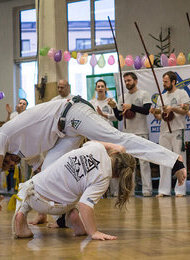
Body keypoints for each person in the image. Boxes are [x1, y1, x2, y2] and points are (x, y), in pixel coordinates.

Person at [0, 96, 186, 188]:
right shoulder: (26, 156)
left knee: (117, 138)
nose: (11, 163)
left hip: (72, 112)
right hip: (67, 132)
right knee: (49, 170)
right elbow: (41, 175)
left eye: (6, 161)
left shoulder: (4, 133)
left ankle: (174, 161)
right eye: (9, 166)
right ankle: (63, 216)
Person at [13, 141, 135, 240]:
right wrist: (93, 232)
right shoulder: (104, 178)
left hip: (35, 195)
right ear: (118, 176)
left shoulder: (97, 148)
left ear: (114, 154)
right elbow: (85, 205)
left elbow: (92, 142)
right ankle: (75, 219)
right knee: (75, 196)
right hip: (61, 207)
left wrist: (115, 146)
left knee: (25, 187)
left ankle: (21, 216)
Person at [108, 72, 152, 197]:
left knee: (144, 162)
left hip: (141, 131)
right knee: (129, 164)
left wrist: (132, 106)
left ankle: (147, 190)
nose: (127, 83)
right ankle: (130, 191)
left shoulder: (144, 94)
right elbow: (119, 118)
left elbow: (146, 111)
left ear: (135, 81)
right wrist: (115, 107)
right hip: (128, 134)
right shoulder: (122, 96)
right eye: (125, 81)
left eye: (129, 80)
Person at [150, 71, 189, 197]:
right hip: (164, 131)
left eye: (166, 81)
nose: (164, 84)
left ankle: (180, 190)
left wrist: (172, 108)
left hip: (178, 130)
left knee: (180, 158)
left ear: (173, 82)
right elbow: (159, 115)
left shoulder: (181, 93)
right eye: (163, 81)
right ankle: (163, 190)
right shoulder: (163, 96)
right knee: (164, 159)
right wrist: (155, 113)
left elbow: (185, 110)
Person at [90, 79, 118, 196]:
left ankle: (115, 191)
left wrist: (104, 115)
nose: (100, 88)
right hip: (96, 136)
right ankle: (100, 192)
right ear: (96, 89)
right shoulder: (91, 102)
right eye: (98, 86)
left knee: (112, 162)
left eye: (102, 86)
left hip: (109, 134)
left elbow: (116, 118)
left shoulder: (111, 101)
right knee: (98, 163)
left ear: (106, 88)